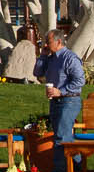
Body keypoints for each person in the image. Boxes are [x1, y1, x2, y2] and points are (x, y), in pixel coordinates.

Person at [33, 29, 86, 162]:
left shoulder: (70, 58)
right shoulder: (50, 58)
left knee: (61, 136)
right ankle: (76, 168)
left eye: (48, 42)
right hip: (55, 102)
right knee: (63, 136)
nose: (45, 45)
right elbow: (37, 72)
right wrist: (43, 56)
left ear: (59, 42)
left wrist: (61, 91)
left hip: (69, 101)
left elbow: (80, 81)